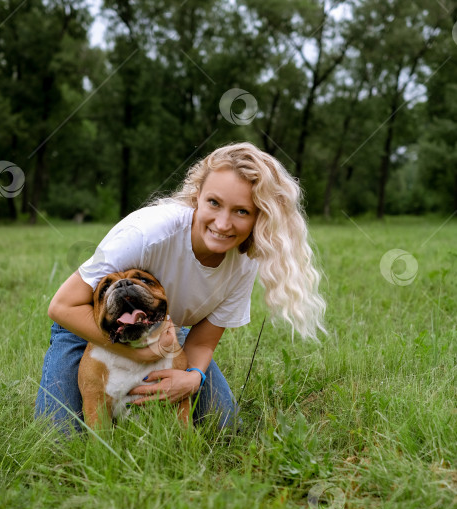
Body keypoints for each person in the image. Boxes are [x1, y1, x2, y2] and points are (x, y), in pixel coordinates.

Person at [35, 142, 326, 435]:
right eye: (214, 202)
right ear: (196, 196)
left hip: (164, 331)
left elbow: (201, 343)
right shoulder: (147, 233)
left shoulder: (245, 259)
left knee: (224, 427)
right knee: (59, 437)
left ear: (259, 216)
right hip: (88, 326)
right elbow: (61, 307)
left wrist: (193, 376)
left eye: (241, 211)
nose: (223, 224)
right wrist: (138, 354)